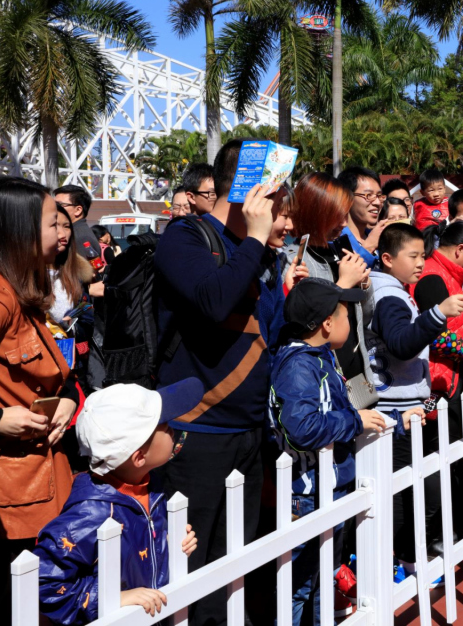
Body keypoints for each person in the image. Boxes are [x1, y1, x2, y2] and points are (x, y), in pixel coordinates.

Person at [153, 139, 289, 626]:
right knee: (192, 572)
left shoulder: (263, 252)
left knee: (235, 568)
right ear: (251, 191)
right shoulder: (186, 237)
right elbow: (213, 301)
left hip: (249, 432)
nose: (284, 216)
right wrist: (255, 240)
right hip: (197, 431)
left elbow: (269, 335)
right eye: (277, 201)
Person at [0, 177, 78, 625]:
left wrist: (69, 400)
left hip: (39, 486)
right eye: (52, 223)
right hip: (11, 500)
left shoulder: (21, 291)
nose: (63, 232)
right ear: (18, 230)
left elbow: (56, 375)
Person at [33, 379, 203, 624]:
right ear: (139, 457)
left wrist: (170, 544)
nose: (172, 429)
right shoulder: (90, 513)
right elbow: (42, 582)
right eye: (163, 426)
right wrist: (112, 598)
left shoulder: (151, 487)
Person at [268, 278, 386, 623]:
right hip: (308, 493)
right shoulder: (299, 365)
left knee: (322, 578)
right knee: (299, 584)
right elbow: (302, 428)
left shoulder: (319, 357)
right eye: (346, 315)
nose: (351, 321)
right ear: (327, 324)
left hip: (329, 487)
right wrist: (354, 421)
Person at [364, 223, 463, 567]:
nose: (421, 263)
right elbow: (401, 345)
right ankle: (394, 561)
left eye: (423, 255)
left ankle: (401, 558)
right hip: (394, 409)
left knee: (412, 487)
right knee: (401, 492)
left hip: (402, 403)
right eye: (413, 256)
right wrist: (437, 314)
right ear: (388, 259)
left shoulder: (390, 289)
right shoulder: (389, 295)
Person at [412, 221, 463, 550]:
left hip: (449, 380)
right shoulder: (433, 277)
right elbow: (435, 336)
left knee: (452, 455)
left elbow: (454, 331)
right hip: (434, 386)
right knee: (436, 457)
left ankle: (451, 529)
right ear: (460, 250)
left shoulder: (445, 274)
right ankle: (431, 536)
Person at [288, 172, 377, 391]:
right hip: (322, 380)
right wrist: (344, 284)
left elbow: (364, 318)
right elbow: (307, 326)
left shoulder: (340, 251)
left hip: (357, 376)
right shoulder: (294, 259)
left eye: (346, 214)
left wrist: (364, 284)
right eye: (337, 216)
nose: (344, 223)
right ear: (315, 212)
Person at [339, 166, 386, 267]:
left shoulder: (378, 236)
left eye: (379, 196)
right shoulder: (338, 240)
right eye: (368, 195)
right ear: (347, 197)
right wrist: (368, 248)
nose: (377, 202)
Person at [54, 185, 102, 262]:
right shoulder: (76, 232)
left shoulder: (81, 237)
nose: (54, 208)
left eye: (60, 205)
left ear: (78, 210)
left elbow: (82, 269)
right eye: (54, 204)